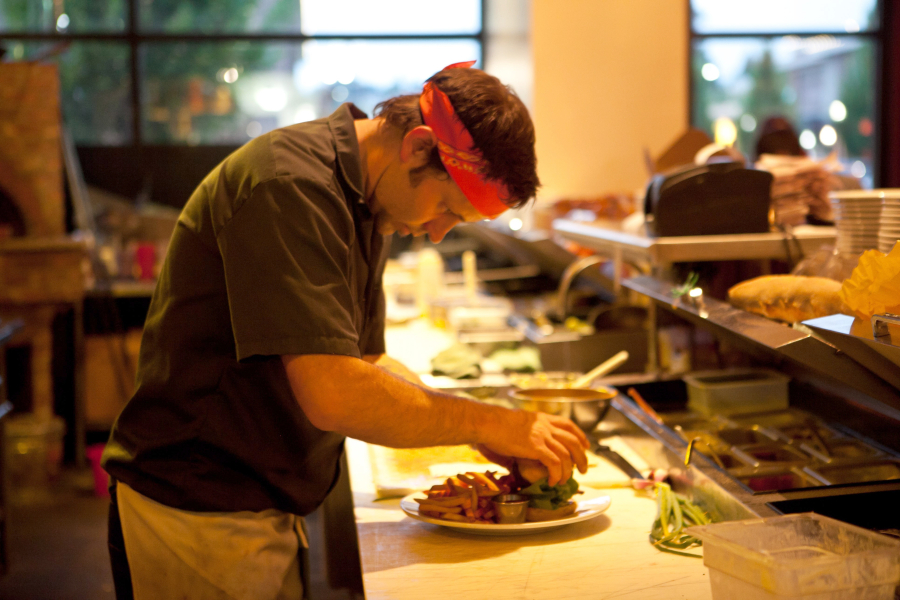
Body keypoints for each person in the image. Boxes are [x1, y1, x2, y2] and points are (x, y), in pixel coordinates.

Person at [102, 61, 589, 600]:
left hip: (257, 497)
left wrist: (483, 434)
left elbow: (368, 362)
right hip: (198, 508)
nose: (434, 233)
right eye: (445, 207)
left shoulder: (364, 195)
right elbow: (333, 392)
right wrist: (485, 422)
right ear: (418, 145)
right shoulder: (290, 185)